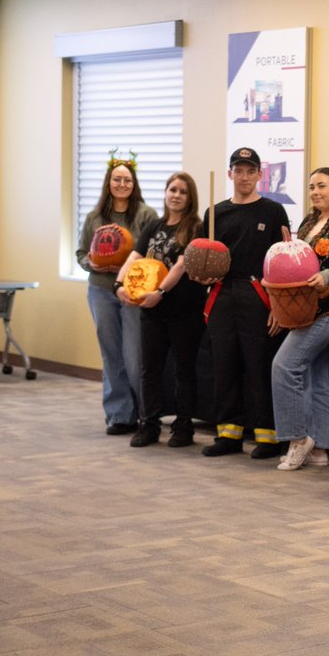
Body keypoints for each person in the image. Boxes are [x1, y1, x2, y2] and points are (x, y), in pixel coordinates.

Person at [193, 147, 289, 458]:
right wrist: (203, 276)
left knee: (258, 364)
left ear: (261, 175)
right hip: (222, 295)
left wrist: (278, 304)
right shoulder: (215, 213)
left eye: (251, 170)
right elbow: (203, 258)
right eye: (239, 170)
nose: (244, 176)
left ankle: (268, 436)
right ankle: (229, 435)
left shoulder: (274, 212)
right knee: (224, 365)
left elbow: (285, 260)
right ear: (230, 173)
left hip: (258, 293)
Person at [271, 168, 329, 470]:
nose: (315, 192)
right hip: (304, 311)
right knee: (316, 377)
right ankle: (320, 448)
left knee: (284, 366)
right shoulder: (309, 221)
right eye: (311, 186)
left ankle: (297, 438)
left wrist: (327, 276)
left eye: (322, 186)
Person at [115, 172, 207, 448]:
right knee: (150, 369)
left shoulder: (195, 227)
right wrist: (119, 284)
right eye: (172, 190)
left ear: (190, 198)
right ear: (166, 193)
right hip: (152, 313)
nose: (176, 195)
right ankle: (149, 424)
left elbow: (181, 265)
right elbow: (134, 257)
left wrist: (161, 293)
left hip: (184, 311)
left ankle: (183, 427)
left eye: (183, 192)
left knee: (184, 369)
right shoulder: (153, 226)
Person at [77, 153, 158, 435]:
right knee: (111, 353)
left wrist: (127, 269)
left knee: (135, 354)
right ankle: (119, 414)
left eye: (127, 179)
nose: (122, 184)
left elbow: (153, 252)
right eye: (117, 179)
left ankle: (145, 412)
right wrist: (95, 263)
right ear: (108, 182)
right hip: (100, 290)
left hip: (133, 292)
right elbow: (81, 254)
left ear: (134, 184)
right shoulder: (94, 217)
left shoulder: (147, 215)